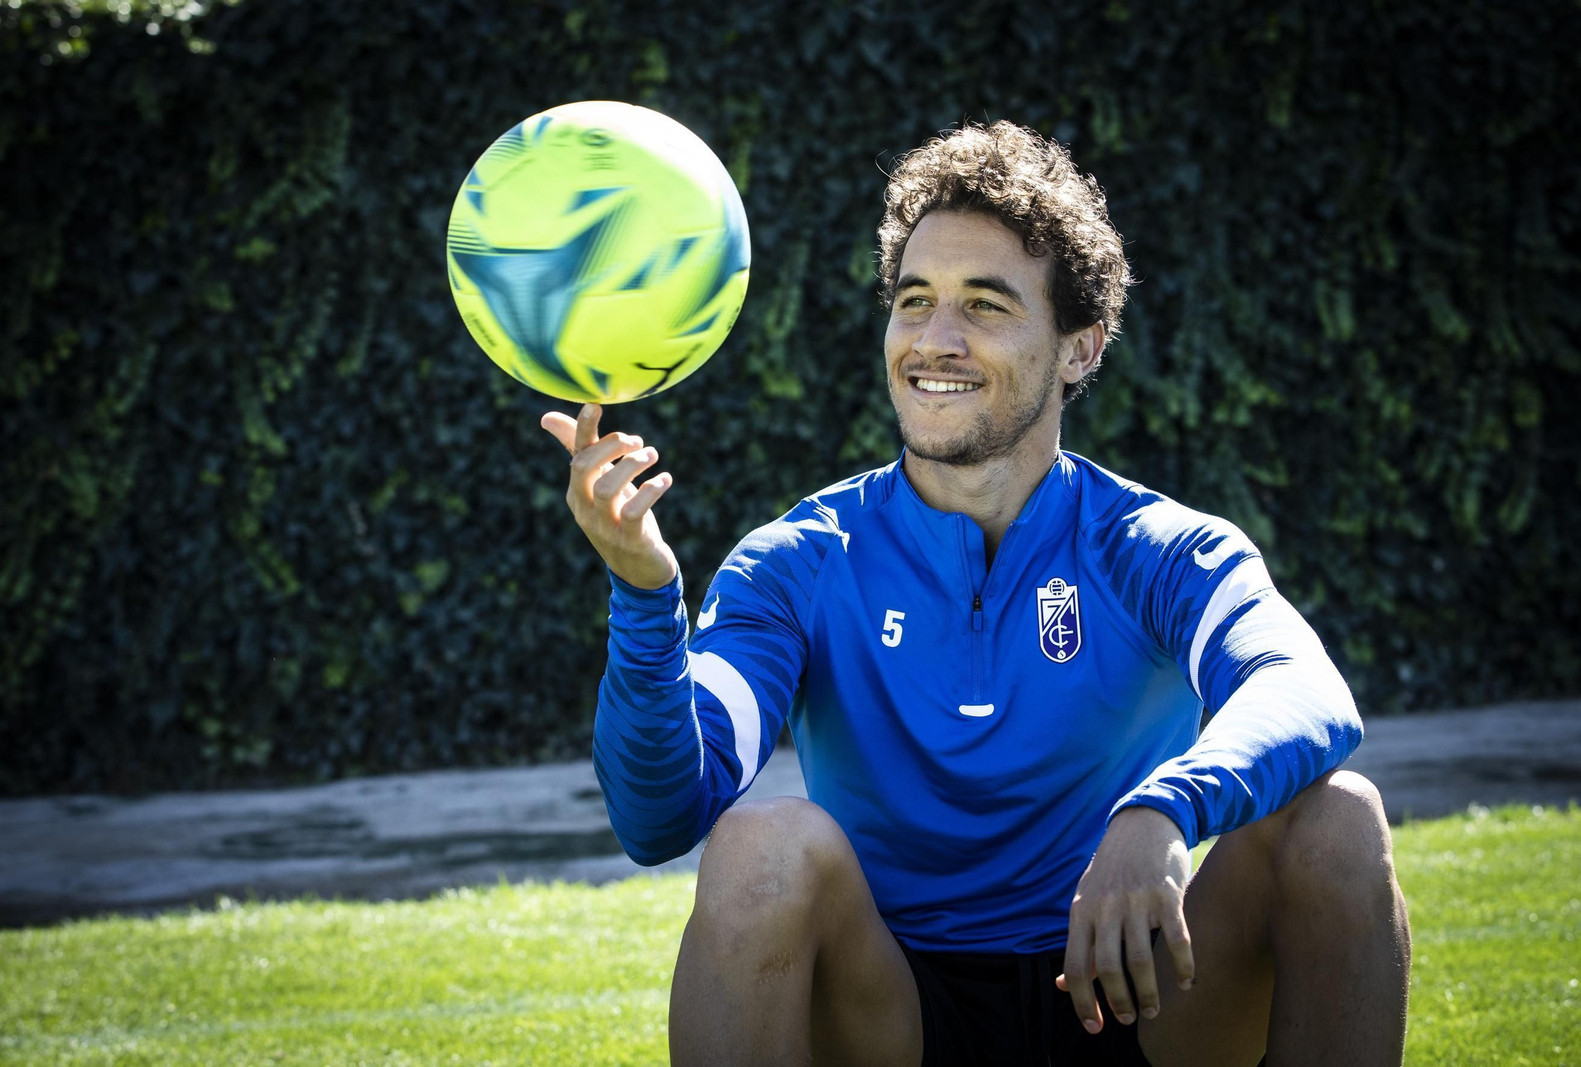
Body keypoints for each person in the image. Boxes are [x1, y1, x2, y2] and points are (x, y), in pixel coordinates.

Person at [541, 121, 1411, 1067]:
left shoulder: (1151, 546)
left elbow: (1305, 689)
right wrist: (643, 592)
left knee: (1338, 820)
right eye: (914, 301)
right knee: (760, 843)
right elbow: (662, 811)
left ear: (1080, 347)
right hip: (892, 1017)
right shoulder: (801, 557)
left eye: (985, 306)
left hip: (1127, 992)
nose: (934, 341)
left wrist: (1161, 810)